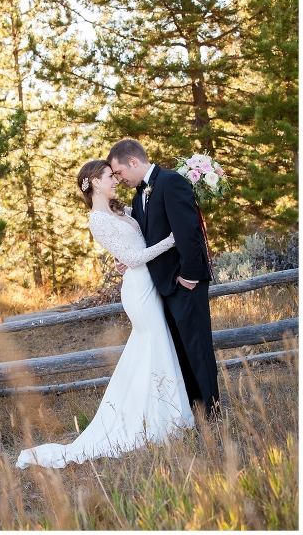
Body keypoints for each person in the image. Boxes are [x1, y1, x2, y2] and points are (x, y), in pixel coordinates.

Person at [17, 160, 194, 470]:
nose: (116, 180)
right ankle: (158, 420)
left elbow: (135, 245)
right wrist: (170, 242)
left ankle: (164, 414)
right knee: (153, 342)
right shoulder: (97, 219)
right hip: (138, 289)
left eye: (115, 175)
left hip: (149, 283)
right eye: (110, 177)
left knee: (153, 347)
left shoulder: (121, 212)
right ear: (94, 183)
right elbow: (131, 258)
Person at [108, 139, 219, 418]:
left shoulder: (171, 182)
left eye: (119, 172)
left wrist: (190, 278)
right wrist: (128, 258)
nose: (119, 180)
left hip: (184, 282)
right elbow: (147, 237)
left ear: (133, 162)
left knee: (197, 347)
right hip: (163, 286)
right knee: (180, 349)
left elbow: (189, 232)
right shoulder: (139, 195)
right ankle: (195, 411)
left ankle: (212, 413)